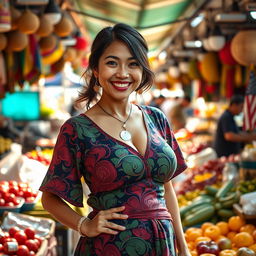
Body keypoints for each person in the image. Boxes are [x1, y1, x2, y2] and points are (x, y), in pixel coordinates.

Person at [39, 23, 189, 256]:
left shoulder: (156, 118)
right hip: (109, 247)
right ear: (96, 70)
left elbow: (166, 188)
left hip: (163, 244)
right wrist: (84, 225)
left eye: (133, 64)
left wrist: (183, 247)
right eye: (112, 63)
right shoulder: (77, 129)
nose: (123, 73)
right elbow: (50, 197)